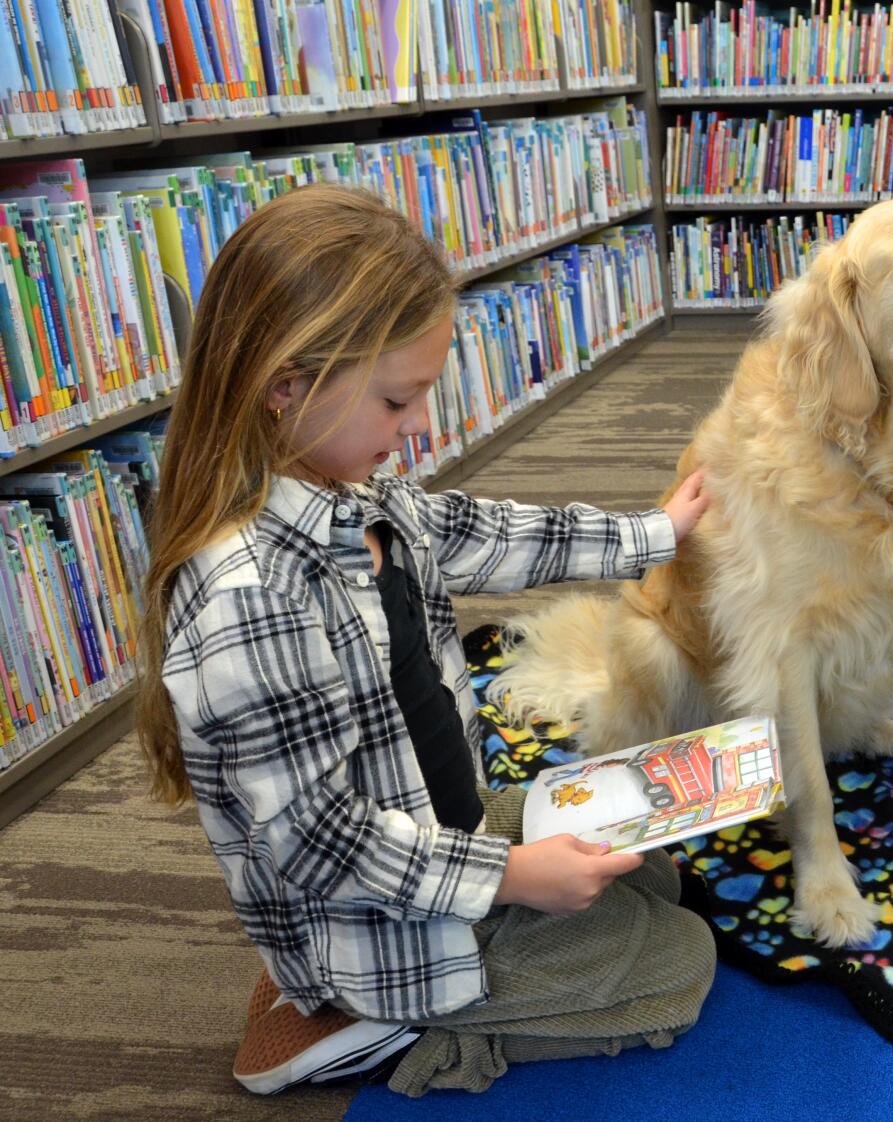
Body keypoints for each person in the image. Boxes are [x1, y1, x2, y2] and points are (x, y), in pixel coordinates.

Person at [137, 183, 717, 1097]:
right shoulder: (249, 598)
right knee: (678, 965)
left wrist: (656, 533)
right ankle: (380, 1030)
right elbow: (318, 840)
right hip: (377, 911)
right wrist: (512, 877)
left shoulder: (355, 495)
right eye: (399, 400)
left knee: (659, 874)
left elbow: (489, 533)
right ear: (285, 385)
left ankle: (447, 963)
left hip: (434, 822)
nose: (418, 428)